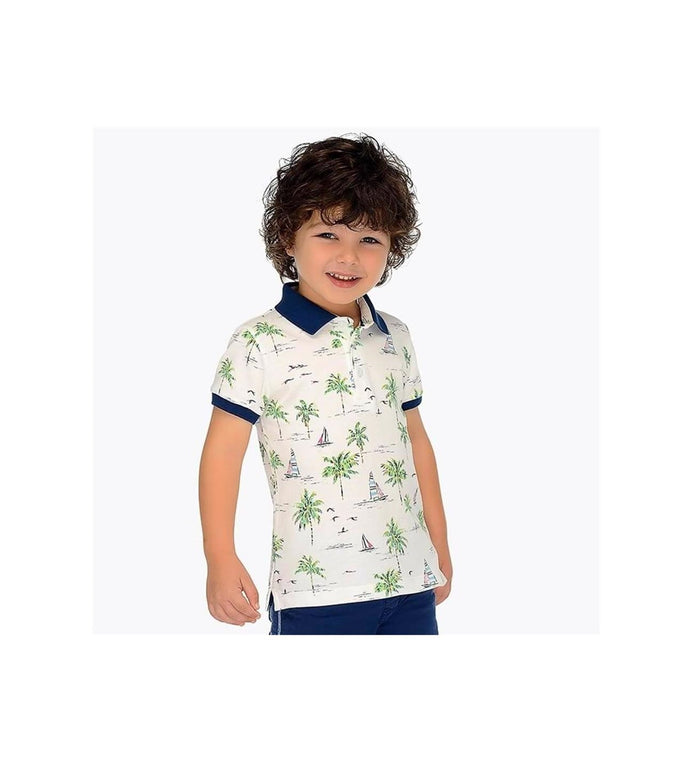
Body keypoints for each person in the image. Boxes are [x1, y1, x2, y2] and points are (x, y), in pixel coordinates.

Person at [198, 134, 452, 635]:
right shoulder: (258, 342)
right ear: (288, 237)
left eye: (370, 240)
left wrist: (438, 544)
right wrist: (219, 557)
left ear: (392, 247)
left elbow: (416, 442)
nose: (349, 257)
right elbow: (222, 453)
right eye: (328, 234)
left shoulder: (394, 336)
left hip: (410, 580)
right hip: (317, 593)